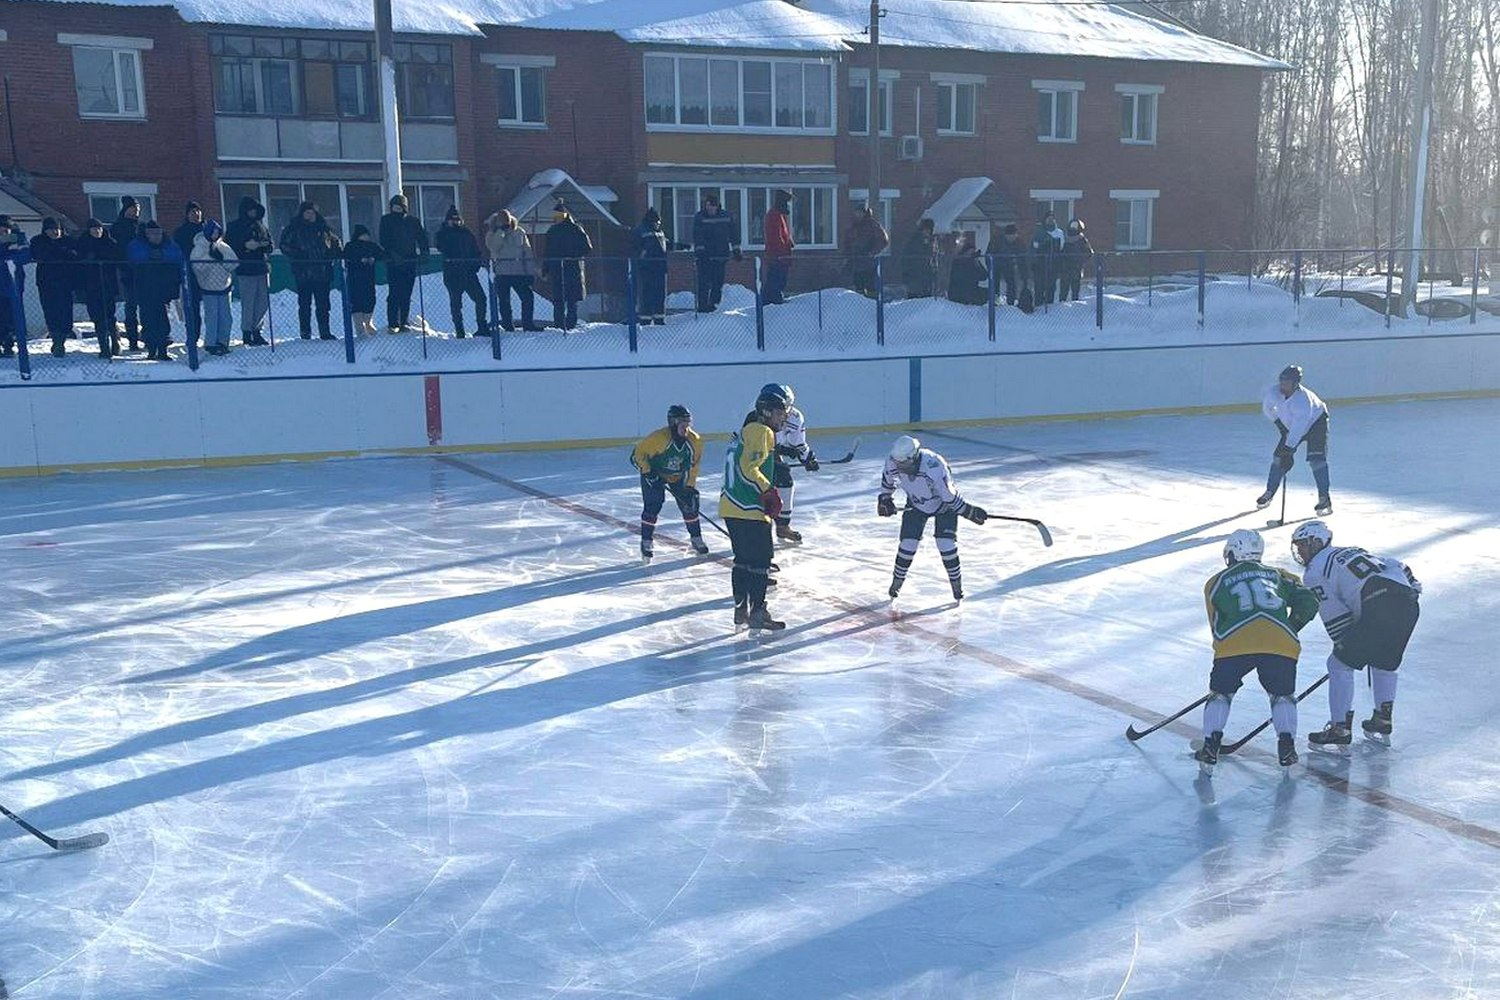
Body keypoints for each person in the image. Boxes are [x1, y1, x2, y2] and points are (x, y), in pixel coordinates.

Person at [1193, 529, 1319, 770]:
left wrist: (1230, 655)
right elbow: (1309, 600)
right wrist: (1288, 628)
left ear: (1232, 553)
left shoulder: (1215, 582)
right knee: (1282, 696)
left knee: (1221, 694)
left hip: (1233, 641)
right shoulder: (1279, 575)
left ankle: (1210, 746)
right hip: (1280, 642)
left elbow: (1217, 624)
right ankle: (1287, 747)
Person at [1292, 520, 1421, 748]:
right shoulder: (1352, 550)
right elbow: (1397, 566)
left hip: (1378, 604)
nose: (1300, 551)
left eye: (1302, 545)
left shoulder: (1314, 572)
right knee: (1385, 662)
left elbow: (1335, 616)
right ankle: (1382, 718)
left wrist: (1344, 646)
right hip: (1408, 603)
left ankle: (1339, 728)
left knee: (1338, 664)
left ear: (1317, 542)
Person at [877, 435, 987, 602]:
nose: (900, 468)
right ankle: (896, 584)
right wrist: (885, 500)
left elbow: (950, 498)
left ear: (913, 457)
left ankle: (957, 587)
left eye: (904, 465)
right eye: (898, 464)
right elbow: (887, 484)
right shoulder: (893, 461)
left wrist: (969, 512)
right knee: (907, 544)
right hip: (915, 504)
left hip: (944, 507)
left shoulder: (934, 466)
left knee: (946, 544)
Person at [719, 386, 790, 631]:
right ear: (766, 412)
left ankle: (741, 610)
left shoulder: (744, 432)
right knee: (760, 562)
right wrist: (768, 490)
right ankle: (758, 612)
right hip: (749, 507)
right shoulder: (762, 431)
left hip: (730, 506)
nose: (784, 417)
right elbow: (749, 468)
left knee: (742, 561)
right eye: (780, 413)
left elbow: (741, 464)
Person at [631, 404, 709, 561]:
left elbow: (694, 465)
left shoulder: (695, 441)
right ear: (673, 423)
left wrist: (689, 486)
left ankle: (696, 538)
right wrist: (648, 472)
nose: (685, 427)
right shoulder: (659, 439)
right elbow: (636, 455)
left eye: (688, 423)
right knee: (653, 504)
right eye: (682, 422)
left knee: (690, 504)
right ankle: (646, 541)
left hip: (678, 476)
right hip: (655, 475)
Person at [1257, 364, 1332, 515]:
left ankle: (1324, 498)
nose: (1283, 385)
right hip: (1293, 426)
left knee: (1316, 460)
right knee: (1278, 458)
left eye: (1287, 382)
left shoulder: (1303, 401)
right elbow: (1268, 409)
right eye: (1282, 381)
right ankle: (1269, 492)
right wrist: (1279, 423)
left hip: (1316, 423)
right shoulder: (1273, 393)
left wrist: (1289, 450)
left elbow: (1300, 428)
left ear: (1296, 384)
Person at [762, 382, 819, 545]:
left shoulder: (794, 417)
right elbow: (758, 443)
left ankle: (783, 526)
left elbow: (798, 443)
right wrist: (782, 451)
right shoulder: (757, 416)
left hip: (773, 452)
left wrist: (807, 457)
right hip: (758, 453)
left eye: (788, 406)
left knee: (784, 479)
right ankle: (759, 526)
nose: (786, 411)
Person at [278, 201, 342, 340]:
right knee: (304, 304)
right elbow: (284, 245)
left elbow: (336, 244)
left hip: (322, 272)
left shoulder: (324, 228)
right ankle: (305, 331)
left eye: (312, 212)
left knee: (323, 304)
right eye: (307, 212)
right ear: (302, 213)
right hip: (303, 272)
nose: (310, 215)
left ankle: (325, 331)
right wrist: (299, 255)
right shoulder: (294, 229)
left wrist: (332, 254)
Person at [126, 220, 184, 361]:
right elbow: (134, 256)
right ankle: (151, 349)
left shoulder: (168, 244)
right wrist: (151, 256)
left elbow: (178, 256)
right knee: (148, 319)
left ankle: (163, 349)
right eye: (151, 233)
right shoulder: (138, 244)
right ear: (146, 234)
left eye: (158, 233)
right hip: (145, 289)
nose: (155, 236)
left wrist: (161, 256)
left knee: (162, 320)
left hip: (163, 290)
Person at [225, 195, 272, 346]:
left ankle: (257, 330)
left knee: (262, 302)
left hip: (261, 267)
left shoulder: (261, 226)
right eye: (250, 210)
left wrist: (260, 245)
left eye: (255, 210)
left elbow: (270, 245)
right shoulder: (234, 226)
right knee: (249, 302)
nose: (253, 213)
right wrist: (245, 247)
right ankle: (247, 332)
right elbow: (229, 247)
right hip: (245, 269)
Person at [433, 206, 487, 338]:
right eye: (453, 220)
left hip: (468, 273)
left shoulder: (467, 233)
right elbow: (441, 246)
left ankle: (482, 326)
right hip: (452, 273)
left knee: (481, 299)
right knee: (456, 303)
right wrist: (447, 228)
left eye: (458, 220)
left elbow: (476, 251)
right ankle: (459, 330)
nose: (456, 222)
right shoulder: (443, 234)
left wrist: (475, 265)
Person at [30, 217, 79, 356]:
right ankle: (57, 340)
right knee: (51, 311)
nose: (55, 232)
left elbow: (74, 255)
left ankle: (62, 338)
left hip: (65, 283)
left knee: (65, 311)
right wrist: (61, 252)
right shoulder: (38, 241)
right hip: (47, 283)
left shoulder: (68, 241)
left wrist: (61, 252)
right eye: (51, 229)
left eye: (57, 229)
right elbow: (42, 255)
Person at [484, 209, 539, 332]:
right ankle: (508, 325)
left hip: (519, 272)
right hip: (502, 273)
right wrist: (500, 232)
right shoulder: (491, 234)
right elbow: (494, 247)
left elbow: (527, 252)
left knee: (527, 298)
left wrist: (530, 272)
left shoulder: (519, 232)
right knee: (504, 301)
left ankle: (528, 324)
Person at [379, 193, 428, 332]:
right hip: (393, 262)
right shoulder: (386, 220)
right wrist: (393, 254)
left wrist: (424, 252)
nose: (397, 209)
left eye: (400, 207)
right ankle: (392, 322)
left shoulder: (413, 221)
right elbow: (384, 239)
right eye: (395, 207)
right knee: (394, 292)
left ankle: (404, 321)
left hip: (409, 261)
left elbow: (422, 237)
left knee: (406, 293)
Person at [542, 199, 591, 331]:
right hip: (559, 268)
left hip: (570, 267)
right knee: (560, 298)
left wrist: (572, 256)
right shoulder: (554, 231)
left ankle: (568, 324)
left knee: (569, 298)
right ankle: (561, 324)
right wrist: (545, 269)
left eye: (558, 216)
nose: (556, 219)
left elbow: (587, 248)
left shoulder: (575, 229)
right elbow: (548, 251)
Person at [190, 219, 237, 355]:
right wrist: (210, 258)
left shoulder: (223, 247)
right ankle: (211, 343)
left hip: (224, 285)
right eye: (213, 232)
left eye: (217, 232)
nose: (215, 235)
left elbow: (233, 264)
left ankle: (223, 342)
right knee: (212, 317)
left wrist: (222, 259)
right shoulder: (199, 247)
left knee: (226, 317)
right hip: (208, 287)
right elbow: (197, 267)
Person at [77, 217, 120, 358]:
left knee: (110, 315)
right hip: (91, 287)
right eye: (94, 229)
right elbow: (79, 263)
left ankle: (115, 342)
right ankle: (104, 347)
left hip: (107, 285)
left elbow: (115, 259)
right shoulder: (83, 244)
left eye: (99, 228)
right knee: (97, 317)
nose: (97, 231)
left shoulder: (110, 243)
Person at [691, 193, 739, 312]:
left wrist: (736, 249)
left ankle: (714, 305)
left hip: (720, 255)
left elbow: (734, 233)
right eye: (707, 205)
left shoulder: (726, 216)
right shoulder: (700, 217)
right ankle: (702, 307)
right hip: (705, 257)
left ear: (717, 206)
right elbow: (697, 235)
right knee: (704, 283)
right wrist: (700, 251)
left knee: (717, 283)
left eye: (711, 206)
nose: (709, 208)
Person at [633, 207, 679, 325]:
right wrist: (642, 256)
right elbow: (635, 248)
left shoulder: (659, 232)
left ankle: (659, 318)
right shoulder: (641, 231)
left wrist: (680, 246)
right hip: (647, 268)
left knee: (660, 294)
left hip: (660, 267)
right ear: (651, 221)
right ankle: (645, 319)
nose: (658, 224)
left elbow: (665, 244)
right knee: (647, 293)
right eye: (657, 222)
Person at [110, 196, 143, 350]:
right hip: (126, 271)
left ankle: (147, 337)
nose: (135, 212)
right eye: (133, 209)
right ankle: (133, 340)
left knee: (145, 306)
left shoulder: (141, 227)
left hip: (142, 272)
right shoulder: (117, 227)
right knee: (131, 307)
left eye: (137, 209)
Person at [343, 225, 387, 335]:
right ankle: (359, 327)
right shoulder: (351, 246)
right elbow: (347, 256)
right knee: (356, 301)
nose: (366, 237)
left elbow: (382, 254)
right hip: (355, 278)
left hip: (368, 278)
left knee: (370, 299)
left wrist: (373, 258)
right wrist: (359, 260)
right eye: (363, 235)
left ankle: (368, 322)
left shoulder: (372, 246)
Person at [172, 201, 206, 337]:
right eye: (193, 212)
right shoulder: (181, 232)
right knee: (192, 306)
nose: (196, 214)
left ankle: (213, 338)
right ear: (187, 214)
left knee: (212, 306)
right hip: (190, 272)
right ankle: (193, 335)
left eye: (198, 211)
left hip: (208, 272)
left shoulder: (206, 230)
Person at [0, 215, 30, 358]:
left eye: (6, 228)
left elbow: (24, 255)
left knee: (12, 317)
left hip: (12, 285)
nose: (4, 232)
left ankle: (9, 344)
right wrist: (8, 255)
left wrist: (6, 257)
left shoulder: (19, 238)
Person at [845, 202, 889, 298]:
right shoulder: (854, 226)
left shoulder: (872, 225)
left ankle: (872, 305)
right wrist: (848, 254)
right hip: (856, 262)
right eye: (856, 212)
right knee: (858, 287)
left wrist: (872, 252)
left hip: (869, 263)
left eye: (859, 212)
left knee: (870, 287)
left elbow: (883, 240)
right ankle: (860, 305)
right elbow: (847, 241)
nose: (857, 214)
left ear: (864, 213)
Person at [761, 189, 794, 305]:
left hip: (781, 255)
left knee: (777, 278)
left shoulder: (779, 215)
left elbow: (783, 235)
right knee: (776, 279)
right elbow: (775, 237)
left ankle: (771, 299)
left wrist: (789, 242)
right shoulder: (773, 215)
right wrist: (782, 252)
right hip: (777, 256)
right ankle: (773, 300)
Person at [1029, 211, 1063, 305]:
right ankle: (1038, 306)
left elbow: (1061, 249)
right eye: (1048, 219)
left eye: (1052, 219)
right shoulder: (1039, 232)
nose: (1050, 221)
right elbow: (1034, 248)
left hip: (1053, 265)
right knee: (1039, 287)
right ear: (1045, 220)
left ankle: (1049, 307)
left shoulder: (1059, 233)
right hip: (1040, 265)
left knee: (1051, 287)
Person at [946, 232, 988, 305]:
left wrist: (977, 264)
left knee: (988, 292)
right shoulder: (958, 262)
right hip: (959, 291)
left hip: (971, 290)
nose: (971, 254)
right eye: (970, 252)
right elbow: (967, 277)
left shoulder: (973, 261)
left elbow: (984, 276)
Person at [994, 222, 1029, 307]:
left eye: (1014, 235)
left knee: (1011, 283)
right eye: (1009, 235)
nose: (1012, 237)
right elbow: (990, 254)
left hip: (1009, 266)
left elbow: (1023, 257)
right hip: (996, 265)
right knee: (995, 284)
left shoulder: (1019, 243)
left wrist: (1025, 273)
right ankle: (995, 301)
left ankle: (1011, 302)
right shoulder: (997, 241)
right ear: (1006, 235)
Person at [900, 217, 936, 299]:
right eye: (926, 230)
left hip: (923, 275)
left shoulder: (927, 241)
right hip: (916, 274)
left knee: (924, 296)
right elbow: (916, 256)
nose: (928, 232)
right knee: (915, 296)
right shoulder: (917, 241)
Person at [1057, 219, 1092, 302]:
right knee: (1064, 289)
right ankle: (1061, 305)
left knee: (1075, 289)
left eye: (1075, 226)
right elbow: (1060, 251)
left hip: (1076, 268)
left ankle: (1075, 305)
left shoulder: (1082, 239)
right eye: (1072, 226)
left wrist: (1079, 260)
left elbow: (1089, 253)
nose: (1073, 228)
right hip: (1065, 268)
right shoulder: (1064, 238)